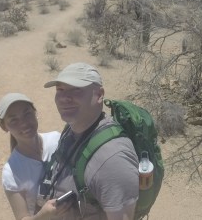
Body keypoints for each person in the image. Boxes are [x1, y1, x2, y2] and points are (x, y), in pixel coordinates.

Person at [43, 63, 139, 220]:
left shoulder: (112, 159)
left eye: (76, 89)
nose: (65, 98)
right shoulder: (72, 129)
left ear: (100, 94)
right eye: (60, 90)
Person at [0, 92, 71, 220]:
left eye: (27, 114)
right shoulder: (11, 172)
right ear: (4, 127)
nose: (24, 123)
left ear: (35, 113)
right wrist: (43, 215)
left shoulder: (57, 140)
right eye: (14, 120)